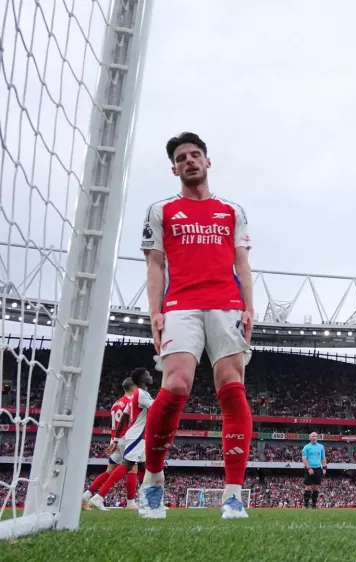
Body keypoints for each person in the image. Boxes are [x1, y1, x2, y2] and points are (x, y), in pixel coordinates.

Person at [139, 132, 254, 520]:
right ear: (174, 169)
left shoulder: (232, 210)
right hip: (180, 304)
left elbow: (242, 263)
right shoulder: (161, 210)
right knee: (176, 385)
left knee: (232, 388)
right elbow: (155, 264)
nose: (189, 160)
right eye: (181, 158)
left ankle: (233, 495)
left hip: (227, 304)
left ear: (207, 161)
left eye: (194, 154)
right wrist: (154, 311)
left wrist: (249, 307)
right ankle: (153, 480)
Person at [88, 369, 154, 511]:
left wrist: (115, 439)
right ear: (141, 380)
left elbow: (123, 418)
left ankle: (149, 500)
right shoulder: (141, 394)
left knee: (142, 467)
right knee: (128, 466)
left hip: (129, 436)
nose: (151, 377)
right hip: (136, 436)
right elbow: (157, 408)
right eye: (148, 375)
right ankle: (99, 497)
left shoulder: (127, 400)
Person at [83, 378, 136, 510]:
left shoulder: (116, 403)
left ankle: (86, 495)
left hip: (115, 440)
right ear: (133, 388)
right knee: (132, 468)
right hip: (125, 439)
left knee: (109, 470)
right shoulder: (130, 403)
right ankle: (130, 502)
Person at [301, 432, 326, 509]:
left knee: (316, 487)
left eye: (315, 436)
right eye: (312, 436)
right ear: (310, 438)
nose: (314, 437)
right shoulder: (306, 447)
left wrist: (324, 467)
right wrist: (309, 468)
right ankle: (306, 506)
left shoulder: (321, 446)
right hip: (309, 468)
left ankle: (314, 506)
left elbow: (323, 458)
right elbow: (304, 459)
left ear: (317, 437)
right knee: (308, 487)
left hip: (318, 468)